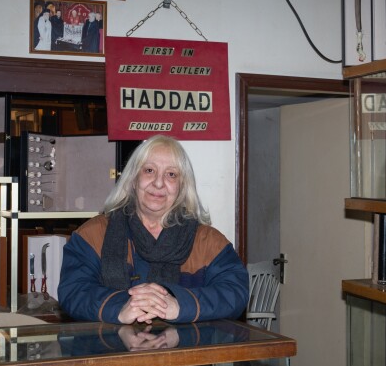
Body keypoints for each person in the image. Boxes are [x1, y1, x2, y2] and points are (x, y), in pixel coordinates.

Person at [58, 135, 249, 324]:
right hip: (109, 351)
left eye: (171, 174)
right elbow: (73, 290)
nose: (158, 183)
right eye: (149, 170)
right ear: (133, 179)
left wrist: (179, 305)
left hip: (186, 353)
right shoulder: (91, 235)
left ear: (182, 186)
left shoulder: (209, 242)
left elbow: (235, 292)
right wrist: (120, 306)